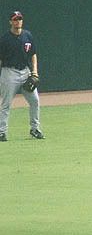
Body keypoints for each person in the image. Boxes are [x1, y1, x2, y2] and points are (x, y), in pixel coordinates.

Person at [0, 11, 44, 141]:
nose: (17, 21)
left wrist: (34, 71)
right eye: (15, 19)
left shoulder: (27, 36)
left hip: (25, 72)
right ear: (10, 22)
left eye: (19, 19)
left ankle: (35, 129)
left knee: (35, 101)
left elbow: (33, 54)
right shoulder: (5, 39)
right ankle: (1, 132)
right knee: (6, 104)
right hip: (9, 72)